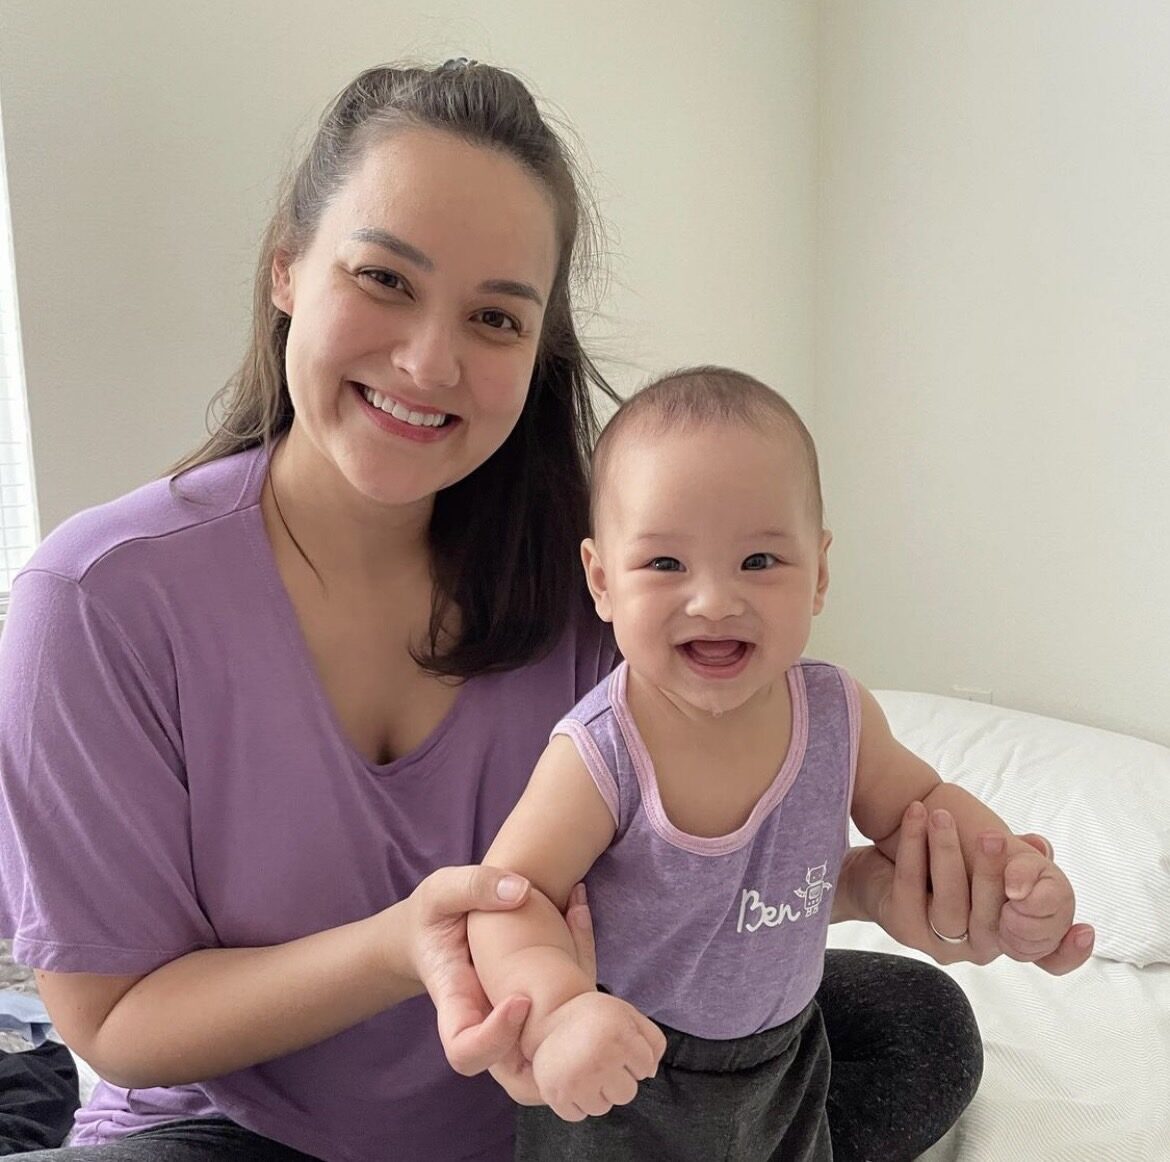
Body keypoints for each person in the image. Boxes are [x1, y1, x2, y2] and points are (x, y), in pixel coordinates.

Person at [0, 61, 1092, 1162]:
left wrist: (863, 887)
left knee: (913, 1025)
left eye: (494, 316)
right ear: (287, 267)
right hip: (243, 1136)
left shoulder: (619, 584)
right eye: (383, 278)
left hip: (579, 1107)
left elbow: (684, 864)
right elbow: (117, 1021)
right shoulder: (99, 602)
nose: (428, 361)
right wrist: (407, 946)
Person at [468, 367, 1091, 1161]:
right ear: (602, 581)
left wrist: (1011, 883)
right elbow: (509, 898)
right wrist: (559, 1014)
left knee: (921, 1035)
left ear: (820, 573)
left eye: (759, 560)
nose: (714, 600)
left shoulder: (835, 712)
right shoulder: (602, 753)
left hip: (784, 1054)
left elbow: (924, 808)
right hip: (627, 1068)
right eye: (665, 565)